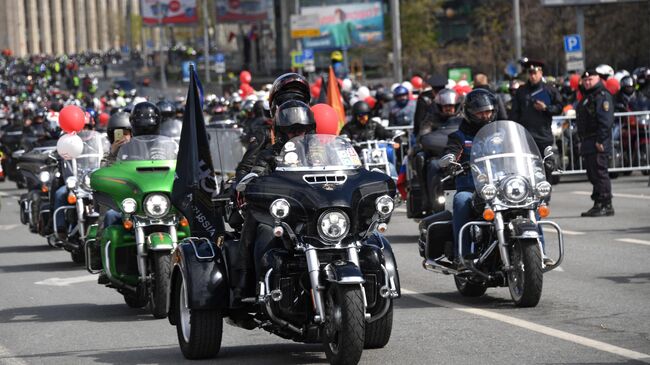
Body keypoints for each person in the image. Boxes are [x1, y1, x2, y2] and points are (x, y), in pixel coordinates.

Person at [232, 99, 317, 305]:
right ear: (281, 131)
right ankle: (243, 281)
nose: (297, 134)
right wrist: (253, 180)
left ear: (310, 129)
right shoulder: (269, 154)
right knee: (257, 222)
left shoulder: (318, 152)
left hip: (312, 212)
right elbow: (256, 173)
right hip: (281, 212)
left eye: (302, 129)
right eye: (292, 130)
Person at [443, 89, 497, 267]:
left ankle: (540, 251)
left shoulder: (499, 134)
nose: (485, 116)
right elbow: (451, 152)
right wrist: (451, 161)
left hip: (500, 188)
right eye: (480, 112)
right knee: (460, 201)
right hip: (471, 188)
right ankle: (463, 255)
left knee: (530, 202)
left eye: (488, 111)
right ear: (469, 113)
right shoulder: (459, 137)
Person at [510, 59, 563, 176]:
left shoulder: (550, 90)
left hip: (544, 135)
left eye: (535, 73)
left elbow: (559, 107)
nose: (533, 76)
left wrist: (546, 108)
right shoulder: (521, 91)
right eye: (530, 73)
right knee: (528, 168)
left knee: (546, 167)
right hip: (526, 136)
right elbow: (515, 113)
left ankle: (545, 193)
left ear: (541, 73)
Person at [576, 68, 615, 217]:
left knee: (600, 172)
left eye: (590, 79)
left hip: (597, 139)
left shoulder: (602, 96)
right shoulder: (588, 96)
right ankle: (598, 202)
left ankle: (606, 203)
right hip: (588, 140)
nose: (587, 82)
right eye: (585, 80)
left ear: (597, 79)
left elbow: (605, 121)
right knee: (592, 173)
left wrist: (601, 140)